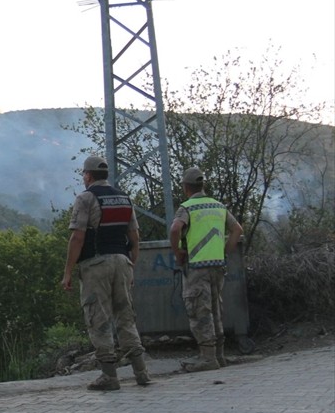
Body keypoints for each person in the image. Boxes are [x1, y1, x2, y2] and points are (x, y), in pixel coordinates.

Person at [62, 155, 151, 390]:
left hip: (95, 264)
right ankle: (141, 371)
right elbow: (134, 237)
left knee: (98, 319)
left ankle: (110, 376)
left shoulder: (85, 198)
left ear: (88, 176)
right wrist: (131, 263)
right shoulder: (123, 197)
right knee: (125, 316)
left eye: (83, 175)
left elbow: (78, 236)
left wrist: (68, 272)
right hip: (122, 262)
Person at [169, 166, 244, 372]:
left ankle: (207, 358)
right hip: (218, 265)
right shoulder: (218, 206)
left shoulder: (187, 207)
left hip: (197, 267)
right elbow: (237, 229)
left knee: (199, 311)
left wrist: (178, 252)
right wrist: (225, 250)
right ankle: (219, 356)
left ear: (186, 187)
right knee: (215, 309)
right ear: (202, 185)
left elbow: (175, 229)